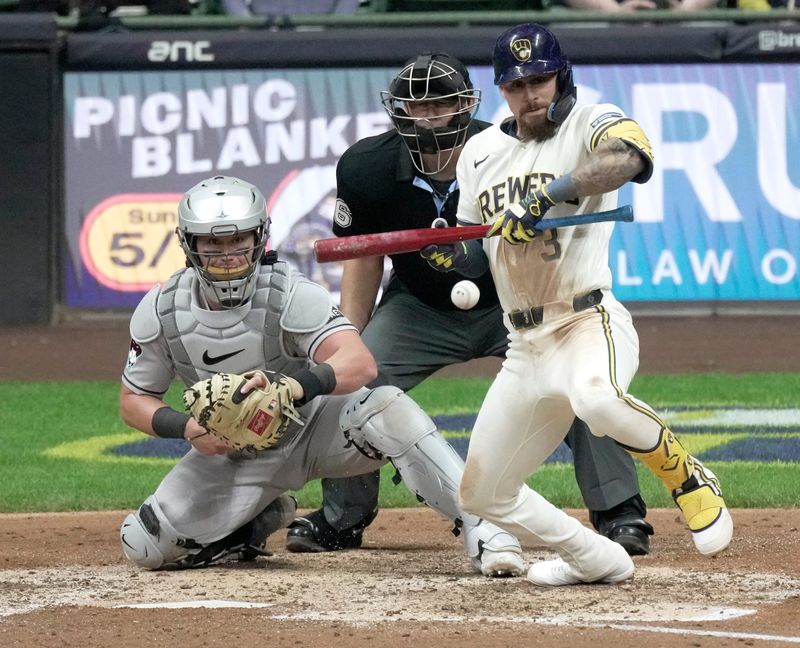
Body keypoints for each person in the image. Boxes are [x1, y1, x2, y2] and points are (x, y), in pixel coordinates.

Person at [285, 51, 654, 559]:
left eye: (442, 103)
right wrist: (348, 341)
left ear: (466, 103)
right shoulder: (365, 168)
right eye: (418, 106)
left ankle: (620, 512)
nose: (430, 115)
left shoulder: (504, 149)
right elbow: (365, 259)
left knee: (579, 377)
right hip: (419, 307)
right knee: (352, 384)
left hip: (516, 301)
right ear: (397, 111)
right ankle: (342, 518)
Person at [420, 23, 733, 586]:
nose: (530, 94)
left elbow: (629, 158)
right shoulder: (480, 152)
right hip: (524, 345)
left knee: (598, 401)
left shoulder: (592, 122)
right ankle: (595, 558)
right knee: (483, 493)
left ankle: (689, 478)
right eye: (517, 85)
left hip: (588, 319)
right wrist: (451, 255)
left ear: (560, 76)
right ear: (501, 90)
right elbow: (474, 247)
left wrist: (546, 196)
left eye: (540, 79)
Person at [117, 174, 523, 577]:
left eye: (239, 240)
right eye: (214, 243)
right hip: (235, 453)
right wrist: (188, 427)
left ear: (259, 238)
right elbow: (133, 401)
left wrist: (291, 387)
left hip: (313, 428)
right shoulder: (161, 311)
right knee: (144, 543)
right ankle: (250, 524)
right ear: (190, 244)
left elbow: (359, 363)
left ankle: (482, 525)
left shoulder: (289, 292)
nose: (228, 254)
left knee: (384, 406)